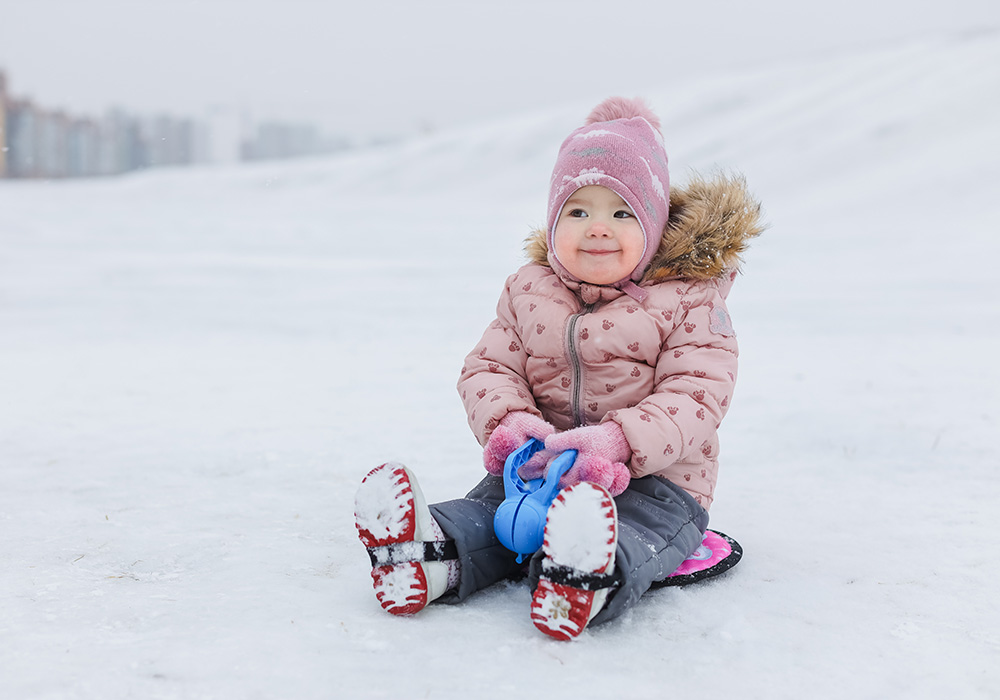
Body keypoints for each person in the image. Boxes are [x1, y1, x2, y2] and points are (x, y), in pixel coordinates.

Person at [354, 97, 764, 640]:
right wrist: (510, 423)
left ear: (656, 224)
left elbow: (697, 393)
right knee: (492, 515)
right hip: (539, 466)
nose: (597, 228)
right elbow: (488, 367)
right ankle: (428, 555)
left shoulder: (688, 300)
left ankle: (583, 576)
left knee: (636, 532)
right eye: (577, 211)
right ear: (552, 223)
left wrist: (617, 442)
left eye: (622, 213)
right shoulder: (529, 288)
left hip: (657, 480)